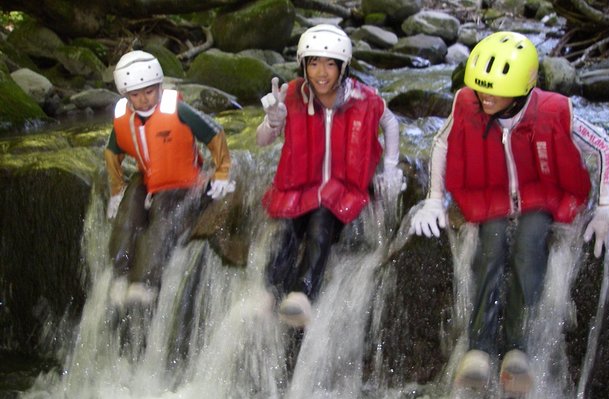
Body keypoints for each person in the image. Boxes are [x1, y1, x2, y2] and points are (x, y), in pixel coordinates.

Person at [410, 32, 609, 396]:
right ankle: (479, 346)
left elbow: (603, 146)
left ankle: (516, 347)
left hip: (541, 196)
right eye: (480, 89)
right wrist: (434, 198)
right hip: (488, 195)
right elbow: (441, 141)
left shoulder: (556, 111)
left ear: (524, 88)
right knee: (489, 250)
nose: (485, 97)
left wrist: (606, 206)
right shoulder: (466, 103)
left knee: (528, 249)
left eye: (495, 90)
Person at [256, 24, 403, 329]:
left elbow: (390, 123)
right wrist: (273, 122)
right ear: (303, 66)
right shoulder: (290, 96)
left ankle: (301, 292)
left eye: (330, 64)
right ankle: (269, 292)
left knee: (320, 225)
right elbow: (261, 141)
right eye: (313, 63)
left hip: (341, 189)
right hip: (301, 186)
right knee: (287, 228)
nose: (321, 72)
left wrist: (390, 166)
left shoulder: (364, 98)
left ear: (343, 67)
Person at [105, 50, 235, 306]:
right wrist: (116, 189)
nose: (143, 99)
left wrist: (222, 171)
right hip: (148, 178)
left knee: (162, 220)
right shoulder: (124, 120)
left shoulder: (178, 110)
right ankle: (120, 273)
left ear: (159, 87)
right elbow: (112, 152)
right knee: (128, 215)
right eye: (135, 94)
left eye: (149, 91)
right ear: (125, 95)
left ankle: (145, 282)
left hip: (183, 182)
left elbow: (214, 133)